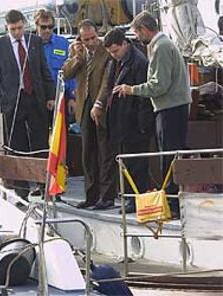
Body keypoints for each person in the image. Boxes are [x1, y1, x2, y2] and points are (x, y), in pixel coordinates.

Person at [113, 12, 192, 217]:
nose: (137, 38)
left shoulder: (161, 47)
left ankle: (173, 205)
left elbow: (159, 85)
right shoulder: (161, 45)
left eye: (137, 33)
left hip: (170, 109)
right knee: (169, 156)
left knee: (169, 157)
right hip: (170, 107)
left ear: (144, 29)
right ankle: (172, 201)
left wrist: (132, 89)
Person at [0, 10, 55, 199]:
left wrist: (50, 96)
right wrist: (1, 103)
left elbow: (44, 71)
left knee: (40, 143)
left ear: (24, 25)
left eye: (19, 28)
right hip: (13, 103)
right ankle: (21, 191)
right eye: (13, 29)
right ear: (6, 27)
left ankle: (44, 186)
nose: (17, 32)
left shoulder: (35, 42)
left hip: (36, 99)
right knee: (17, 145)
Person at [62, 20, 115, 210]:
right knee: (87, 152)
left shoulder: (106, 50)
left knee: (105, 151)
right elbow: (66, 74)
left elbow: (107, 82)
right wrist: (77, 56)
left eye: (93, 38)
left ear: (97, 34)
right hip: (84, 106)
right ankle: (91, 195)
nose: (90, 42)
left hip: (102, 107)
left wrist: (100, 103)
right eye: (86, 40)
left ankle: (107, 196)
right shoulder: (78, 51)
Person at [103, 28, 155, 214]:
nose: (113, 55)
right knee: (127, 162)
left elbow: (143, 97)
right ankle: (131, 198)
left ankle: (136, 199)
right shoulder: (117, 61)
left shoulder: (138, 62)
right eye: (110, 52)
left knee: (137, 164)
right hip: (121, 121)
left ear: (125, 44)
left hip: (134, 122)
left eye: (115, 50)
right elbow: (110, 87)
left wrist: (142, 126)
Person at [34, 9, 76, 115]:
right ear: (36, 26)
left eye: (50, 27)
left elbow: (72, 71)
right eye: (43, 27)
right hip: (39, 99)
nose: (47, 30)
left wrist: (72, 97)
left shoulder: (63, 44)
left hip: (62, 97)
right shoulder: (31, 45)